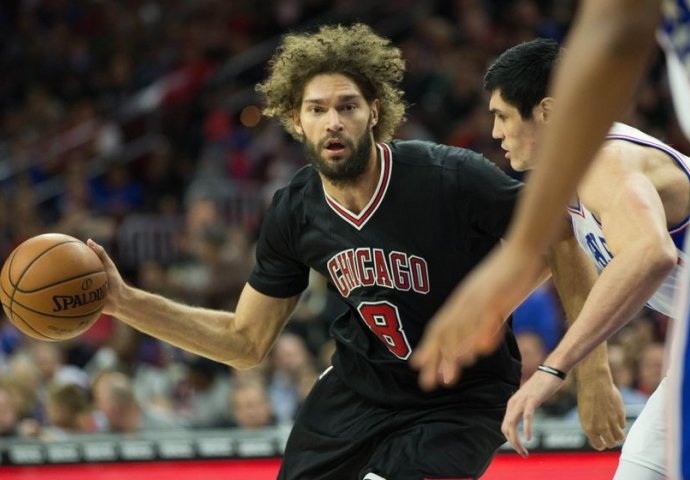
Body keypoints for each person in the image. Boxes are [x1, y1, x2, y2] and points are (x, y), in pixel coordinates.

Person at [87, 23, 613, 480]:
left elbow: (560, 236)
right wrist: (124, 301)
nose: (333, 121)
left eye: (347, 106)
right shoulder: (295, 210)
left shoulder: (447, 176)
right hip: (357, 393)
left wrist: (587, 374)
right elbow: (245, 342)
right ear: (297, 121)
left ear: (374, 112)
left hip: (458, 396)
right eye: (317, 109)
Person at [414, 37, 690, 479]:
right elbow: (544, 260)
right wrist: (476, 326)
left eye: (502, 116)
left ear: (546, 111)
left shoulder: (605, 160)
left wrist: (553, 368)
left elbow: (649, 252)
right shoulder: (567, 177)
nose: (495, 133)